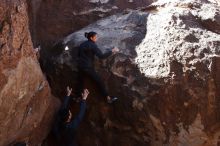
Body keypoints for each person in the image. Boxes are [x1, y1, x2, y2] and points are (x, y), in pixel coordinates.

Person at [76, 31, 119, 103]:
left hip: (80, 66)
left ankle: (78, 97)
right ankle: (108, 98)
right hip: (88, 67)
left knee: (80, 82)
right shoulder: (93, 45)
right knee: (99, 81)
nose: (97, 38)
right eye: (95, 37)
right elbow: (101, 56)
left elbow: (79, 55)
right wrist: (112, 51)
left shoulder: (82, 44)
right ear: (91, 38)